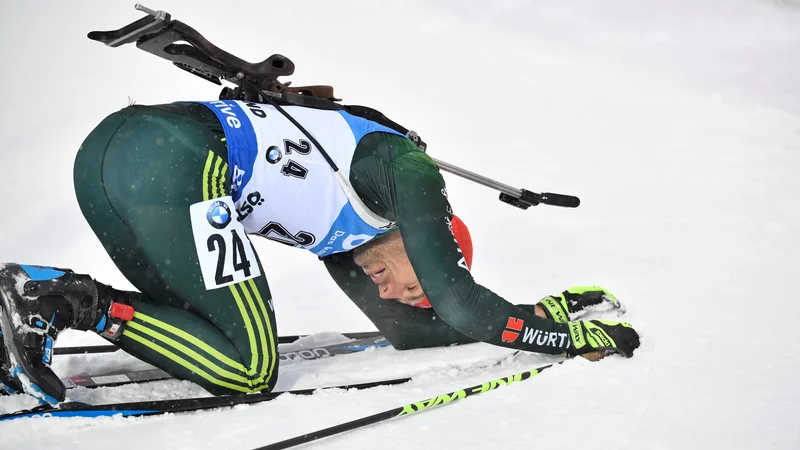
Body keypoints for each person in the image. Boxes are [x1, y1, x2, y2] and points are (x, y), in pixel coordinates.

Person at [0, 100, 640, 405]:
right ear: (430, 242)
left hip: (111, 164)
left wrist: (544, 310)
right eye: (418, 283)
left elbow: (424, 334)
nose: (392, 295)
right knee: (248, 372)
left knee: (197, 331)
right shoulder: (408, 177)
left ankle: (45, 306)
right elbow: (462, 304)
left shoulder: (353, 246)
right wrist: (572, 341)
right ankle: (58, 296)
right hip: (177, 160)